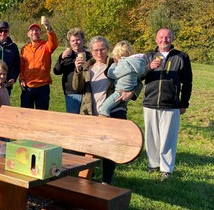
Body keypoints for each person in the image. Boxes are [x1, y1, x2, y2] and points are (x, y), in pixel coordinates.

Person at [73, 36, 142, 184]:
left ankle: (106, 182)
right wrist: (78, 70)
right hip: (90, 114)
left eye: (102, 49)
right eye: (96, 50)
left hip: (113, 112)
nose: (99, 53)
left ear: (108, 49)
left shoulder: (115, 62)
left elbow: (137, 80)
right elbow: (76, 88)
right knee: (89, 149)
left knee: (110, 150)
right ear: (91, 51)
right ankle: (86, 179)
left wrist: (132, 93)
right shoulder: (87, 66)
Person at [141, 28, 193, 182]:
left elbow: (188, 82)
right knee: (151, 137)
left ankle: (166, 169)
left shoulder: (181, 57)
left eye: (168, 37)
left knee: (168, 138)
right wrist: (149, 68)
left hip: (171, 104)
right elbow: (139, 75)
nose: (165, 39)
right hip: (150, 102)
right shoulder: (148, 56)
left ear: (172, 39)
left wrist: (184, 103)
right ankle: (153, 164)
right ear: (156, 39)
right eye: (161, 37)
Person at [19, 16, 59, 110]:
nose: (34, 32)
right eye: (32, 30)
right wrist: (21, 79)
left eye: (37, 30)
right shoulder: (24, 49)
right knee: (25, 113)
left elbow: (54, 42)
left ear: (40, 33)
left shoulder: (46, 46)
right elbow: (21, 66)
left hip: (42, 87)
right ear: (28, 34)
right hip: (28, 86)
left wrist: (48, 28)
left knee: (42, 115)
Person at [99, 41, 145, 117]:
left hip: (120, 92)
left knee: (104, 109)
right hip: (124, 91)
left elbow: (111, 74)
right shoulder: (134, 64)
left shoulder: (124, 64)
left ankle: (105, 117)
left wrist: (113, 65)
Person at [53, 28, 92, 113]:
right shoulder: (67, 55)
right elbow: (56, 71)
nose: (75, 42)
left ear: (83, 40)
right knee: (73, 119)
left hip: (88, 92)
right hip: (72, 92)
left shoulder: (90, 55)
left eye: (78, 40)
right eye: (73, 40)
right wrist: (62, 58)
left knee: (88, 119)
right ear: (70, 42)